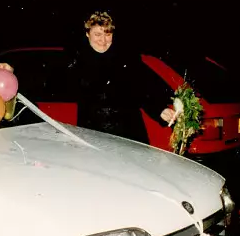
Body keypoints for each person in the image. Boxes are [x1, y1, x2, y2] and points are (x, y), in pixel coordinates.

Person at [52, 11, 175, 144]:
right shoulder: (76, 62)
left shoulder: (127, 59)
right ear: (87, 34)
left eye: (108, 34)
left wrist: (160, 110)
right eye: (97, 34)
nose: (103, 40)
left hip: (128, 135)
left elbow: (143, 90)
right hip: (94, 135)